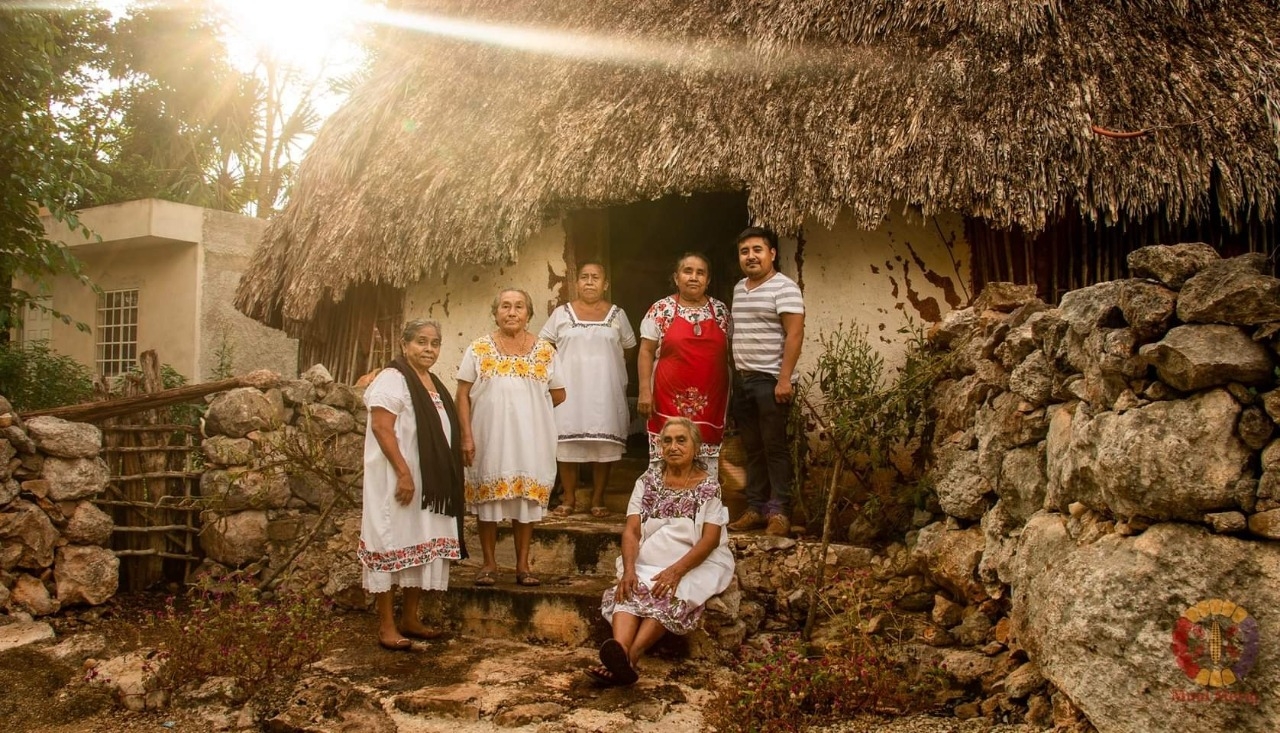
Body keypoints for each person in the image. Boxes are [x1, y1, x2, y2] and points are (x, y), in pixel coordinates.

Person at [589, 417, 735, 686]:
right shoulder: (646, 482)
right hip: (651, 555)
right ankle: (618, 651)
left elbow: (710, 539)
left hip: (695, 559)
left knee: (667, 590)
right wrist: (629, 570)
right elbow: (632, 531)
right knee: (629, 588)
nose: (673, 446)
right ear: (659, 447)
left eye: (681, 440)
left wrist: (676, 571)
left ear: (696, 448)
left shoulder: (709, 486)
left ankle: (631, 657)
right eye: (667, 440)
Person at [359, 319, 466, 651]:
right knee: (392, 545)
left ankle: (410, 618)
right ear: (404, 345)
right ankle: (387, 625)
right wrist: (404, 473)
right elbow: (381, 427)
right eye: (421, 342)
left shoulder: (430, 381)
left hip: (427, 485)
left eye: (435, 343)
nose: (429, 349)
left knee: (419, 544)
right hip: (398, 481)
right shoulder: (392, 380)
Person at [456, 288, 566, 587]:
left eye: (519, 307)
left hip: (531, 439)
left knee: (525, 500)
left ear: (529, 314)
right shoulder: (478, 349)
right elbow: (462, 395)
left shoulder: (545, 351)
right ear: (496, 313)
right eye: (505, 306)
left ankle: (522, 566)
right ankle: (489, 564)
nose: (512, 312)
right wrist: (466, 436)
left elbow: (558, 393)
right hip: (489, 436)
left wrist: (529, 412)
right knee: (488, 499)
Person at [540, 261, 637, 518]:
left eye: (596, 277)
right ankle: (569, 499)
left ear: (605, 284)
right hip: (569, 389)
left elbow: (629, 348)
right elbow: (544, 346)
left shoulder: (617, 314)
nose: (590, 282)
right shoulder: (561, 313)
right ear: (577, 283)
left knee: (603, 444)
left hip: (605, 389)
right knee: (566, 444)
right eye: (584, 277)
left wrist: (606, 368)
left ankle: (598, 499)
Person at [727, 227, 805, 538]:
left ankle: (780, 512)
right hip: (744, 381)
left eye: (757, 250)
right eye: (745, 251)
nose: (751, 256)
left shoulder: (785, 288)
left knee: (775, 448)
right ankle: (756, 508)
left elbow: (795, 334)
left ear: (772, 253)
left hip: (771, 381)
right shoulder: (738, 289)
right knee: (752, 448)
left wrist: (784, 379)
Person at [637, 252, 731, 473]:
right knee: (667, 459)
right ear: (676, 277)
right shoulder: (661, 310)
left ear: (708, 280)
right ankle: (664, 505)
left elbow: (731, 355)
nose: (693, 277)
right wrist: (644, 390)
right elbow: (646, 351)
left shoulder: (721, 311)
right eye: (687, 271)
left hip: (711, 402)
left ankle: (703, 505)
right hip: (666, 399)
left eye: (700, 273)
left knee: (705, 467)